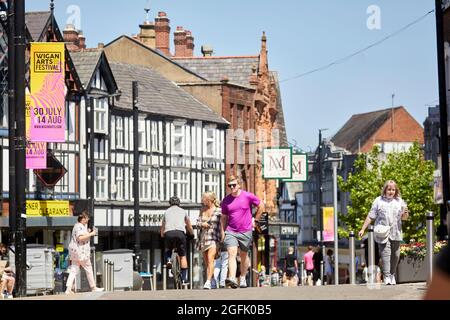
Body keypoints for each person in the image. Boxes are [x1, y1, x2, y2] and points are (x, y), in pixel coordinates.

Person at [358, 180, 409, 285]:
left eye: (393, 189)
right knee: (386, 254)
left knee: (396, 255)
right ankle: (386, 276)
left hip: (396, 232)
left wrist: (405, 214)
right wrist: (363, 228)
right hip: (382, 232)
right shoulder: (378, 200)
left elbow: (404, 218)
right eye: (389, 189)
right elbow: (371, 216)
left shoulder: (400, 201)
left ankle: (392, 274)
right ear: (385, 190)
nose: (391, 191)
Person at [220, 175, 264, 289]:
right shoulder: (226, 200)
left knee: (244, 255)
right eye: (230, 186)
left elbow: (261, 206)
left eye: (234, 185)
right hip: (231, 231)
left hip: (246, 231)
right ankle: (232, 278)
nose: (232, 187)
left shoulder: (248, 196)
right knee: (232, 253)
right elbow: (224, 218)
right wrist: (222, 232)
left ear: (239, 185)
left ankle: (243, 277)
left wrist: (256, 220)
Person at [65, 212, 104, 294]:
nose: (87, 220)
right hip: (81, 252)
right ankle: (93, 287)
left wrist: (88, 232)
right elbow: (80, 238)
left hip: (76, 252)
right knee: (88, 268)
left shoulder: (79, 226)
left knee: (74, 270)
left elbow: (81, 235)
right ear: (82, 219)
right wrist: (91, 234)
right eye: (86, 218)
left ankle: (68, 288)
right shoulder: (79, 226)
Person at [161, 196, 194, 285]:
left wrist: (162, 234)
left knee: (168, 249)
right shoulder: (183, 211)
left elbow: (163, 225)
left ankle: (168, 260)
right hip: (180, 233)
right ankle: (184, 279)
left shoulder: (166, 212)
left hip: (169, 233)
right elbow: (189, 225)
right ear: (179, 203)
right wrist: (192, 234)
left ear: (170, 203)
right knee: (182, 256)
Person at [196, 191, 223, 290]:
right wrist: (202, 224)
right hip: (203, 238)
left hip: (214, 238)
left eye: (204, 199)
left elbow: (222, 225)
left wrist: (222, 239)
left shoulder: (219, 210)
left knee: (211, 259)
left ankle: (207, 282)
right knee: (207, 262)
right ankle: (212, 280)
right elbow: (197, 222)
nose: (202, 200)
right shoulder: (202, 210)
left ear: (210, 200)